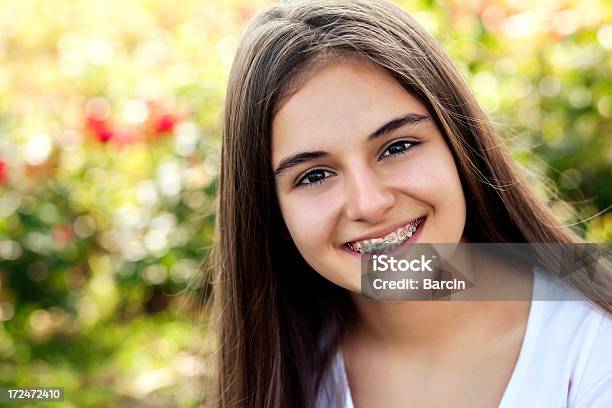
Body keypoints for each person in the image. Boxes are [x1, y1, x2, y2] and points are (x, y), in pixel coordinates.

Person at [208, 0, 612, 406]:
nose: (369, 203)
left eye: (397, 147)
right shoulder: (283, 369)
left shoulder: (594, 341)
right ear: (273, 212)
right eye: (314, 175)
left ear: (460, 144)